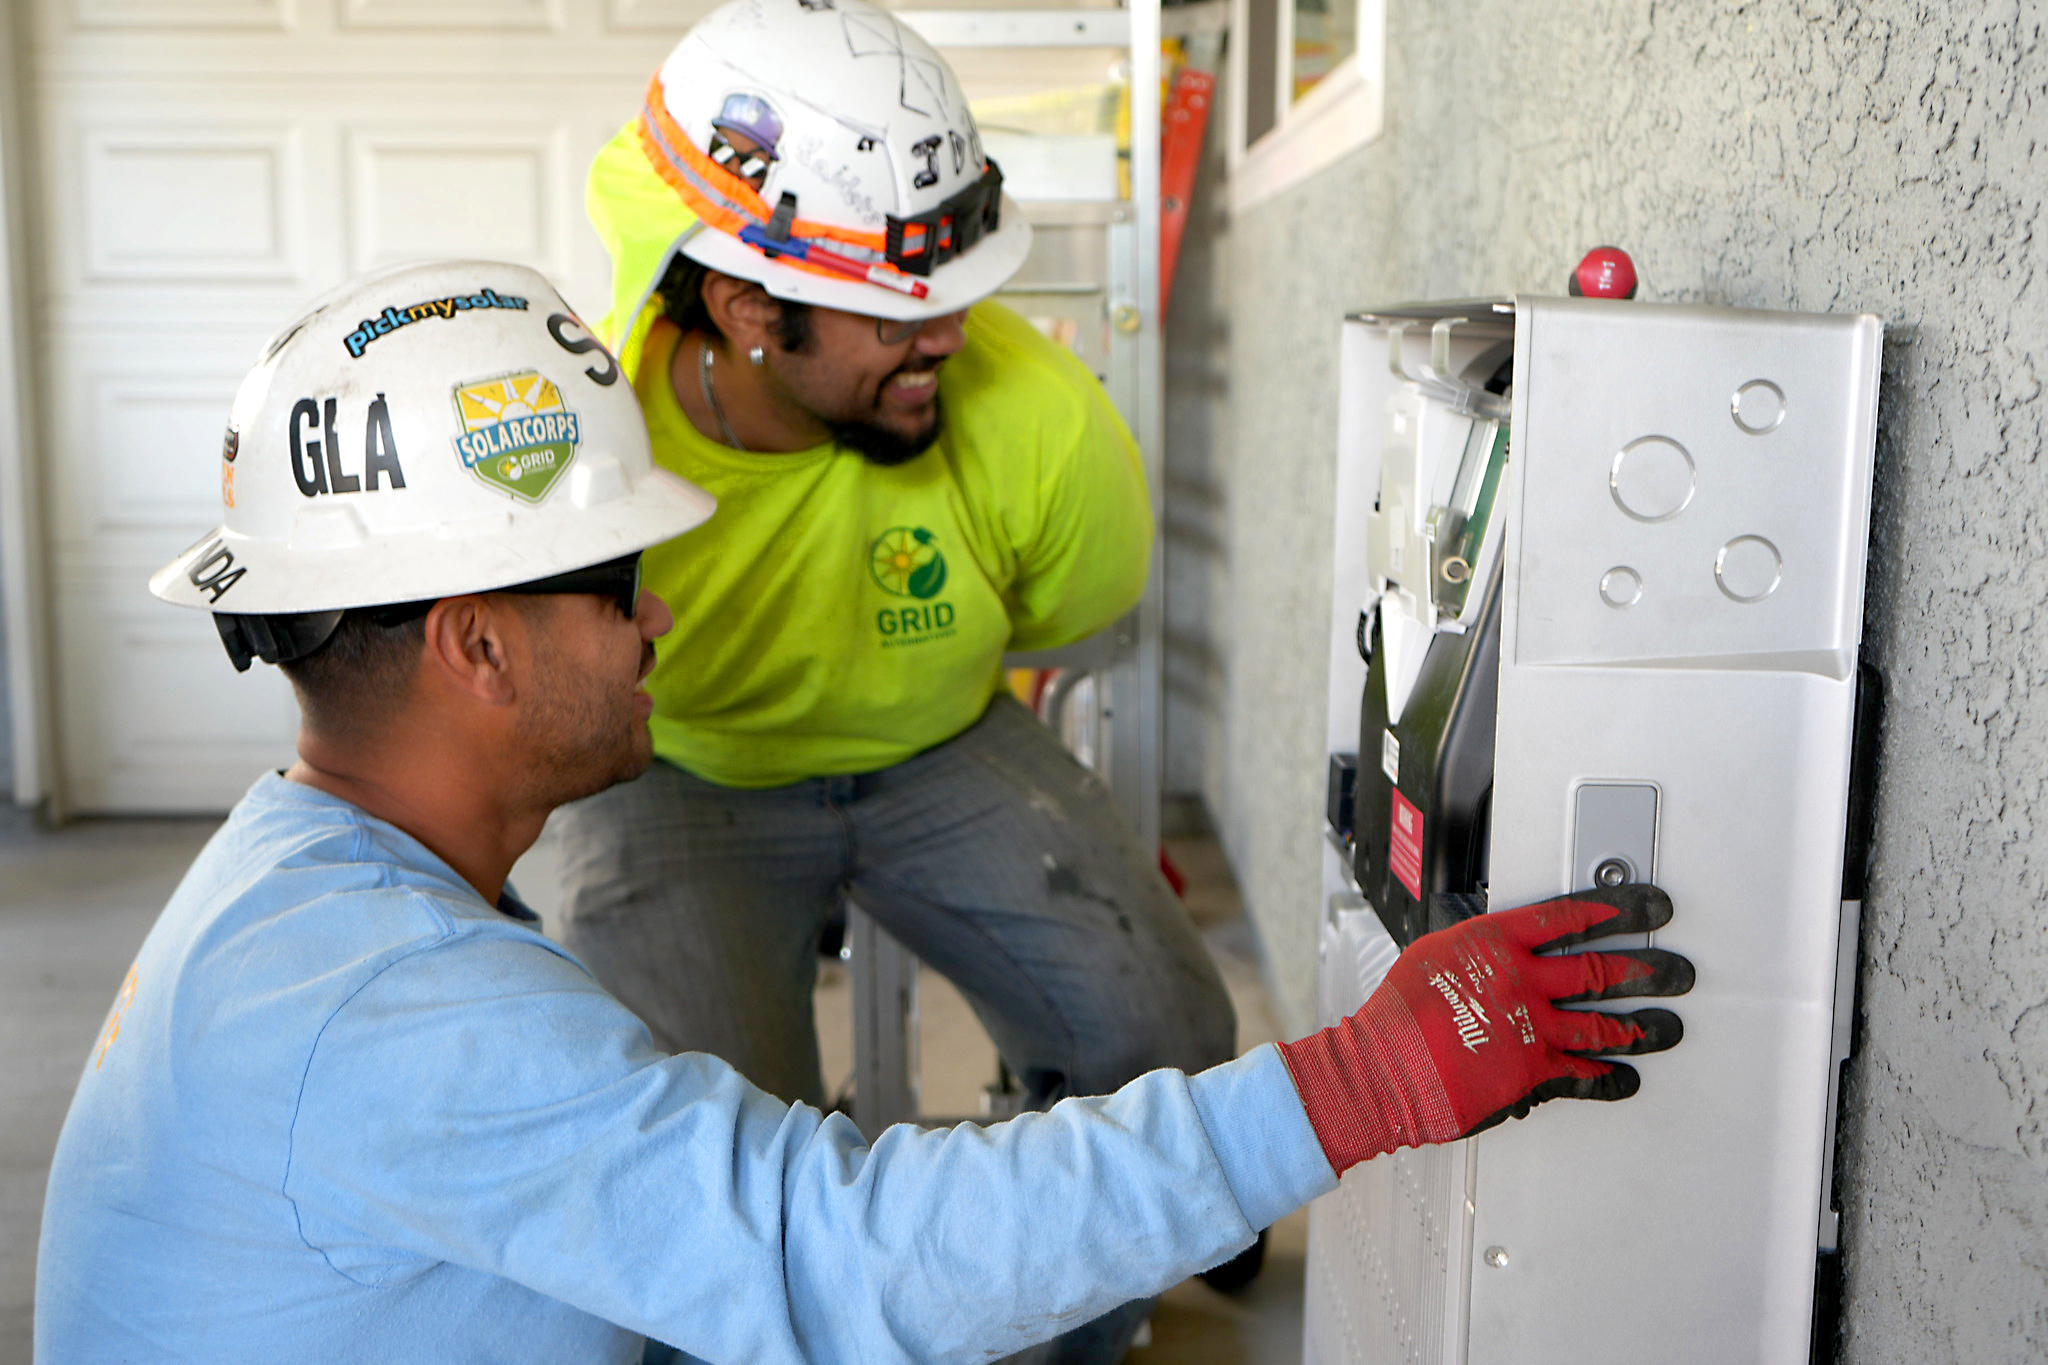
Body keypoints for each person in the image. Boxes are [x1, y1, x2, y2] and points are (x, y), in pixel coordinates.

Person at [34, 259, 1696, 1365]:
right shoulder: (397, 1009)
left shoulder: (305, 884)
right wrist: (1361, 1078)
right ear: (473, 644)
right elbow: (837, 1256)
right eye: (621, 585)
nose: (662, 623)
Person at [553, 0, 1228, 1172]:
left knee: (1166, 1045)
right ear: (748, 307)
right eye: (899, 316)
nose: (952, 341)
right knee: (701, 1155)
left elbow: (1070, 607)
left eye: (954, 296)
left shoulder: (1041, 423)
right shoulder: (596, 448)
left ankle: (1047, 1309)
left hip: (941, 745)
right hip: (671, 768)